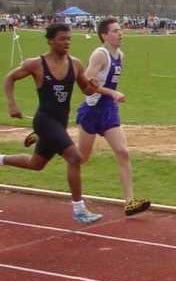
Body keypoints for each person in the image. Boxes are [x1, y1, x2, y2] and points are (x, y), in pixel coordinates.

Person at [2, 23, 103, 224]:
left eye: (69, 39)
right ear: (50, 40)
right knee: (74, 158)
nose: (67, 42)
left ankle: (1, 159)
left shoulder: (75, 64)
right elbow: (9, 78)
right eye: (62, 39)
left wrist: (94, 87)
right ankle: (79, 209)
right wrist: (12, 104)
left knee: (36, 164)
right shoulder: (36, 64)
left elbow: (86, 90)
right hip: (45, 121)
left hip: (60, 122)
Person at [75, 17, 151, 216]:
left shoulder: (120, 55)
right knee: (80, 158)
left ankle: (129, 201)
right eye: (115, 31)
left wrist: (112, 96)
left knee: (123, 152)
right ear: (104, 35)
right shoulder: (100, 55)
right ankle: (50, 143)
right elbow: (85, 86)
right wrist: (112, 93)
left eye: (120, 30)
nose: (120, 33)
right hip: (92, 111)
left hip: (108, 110)